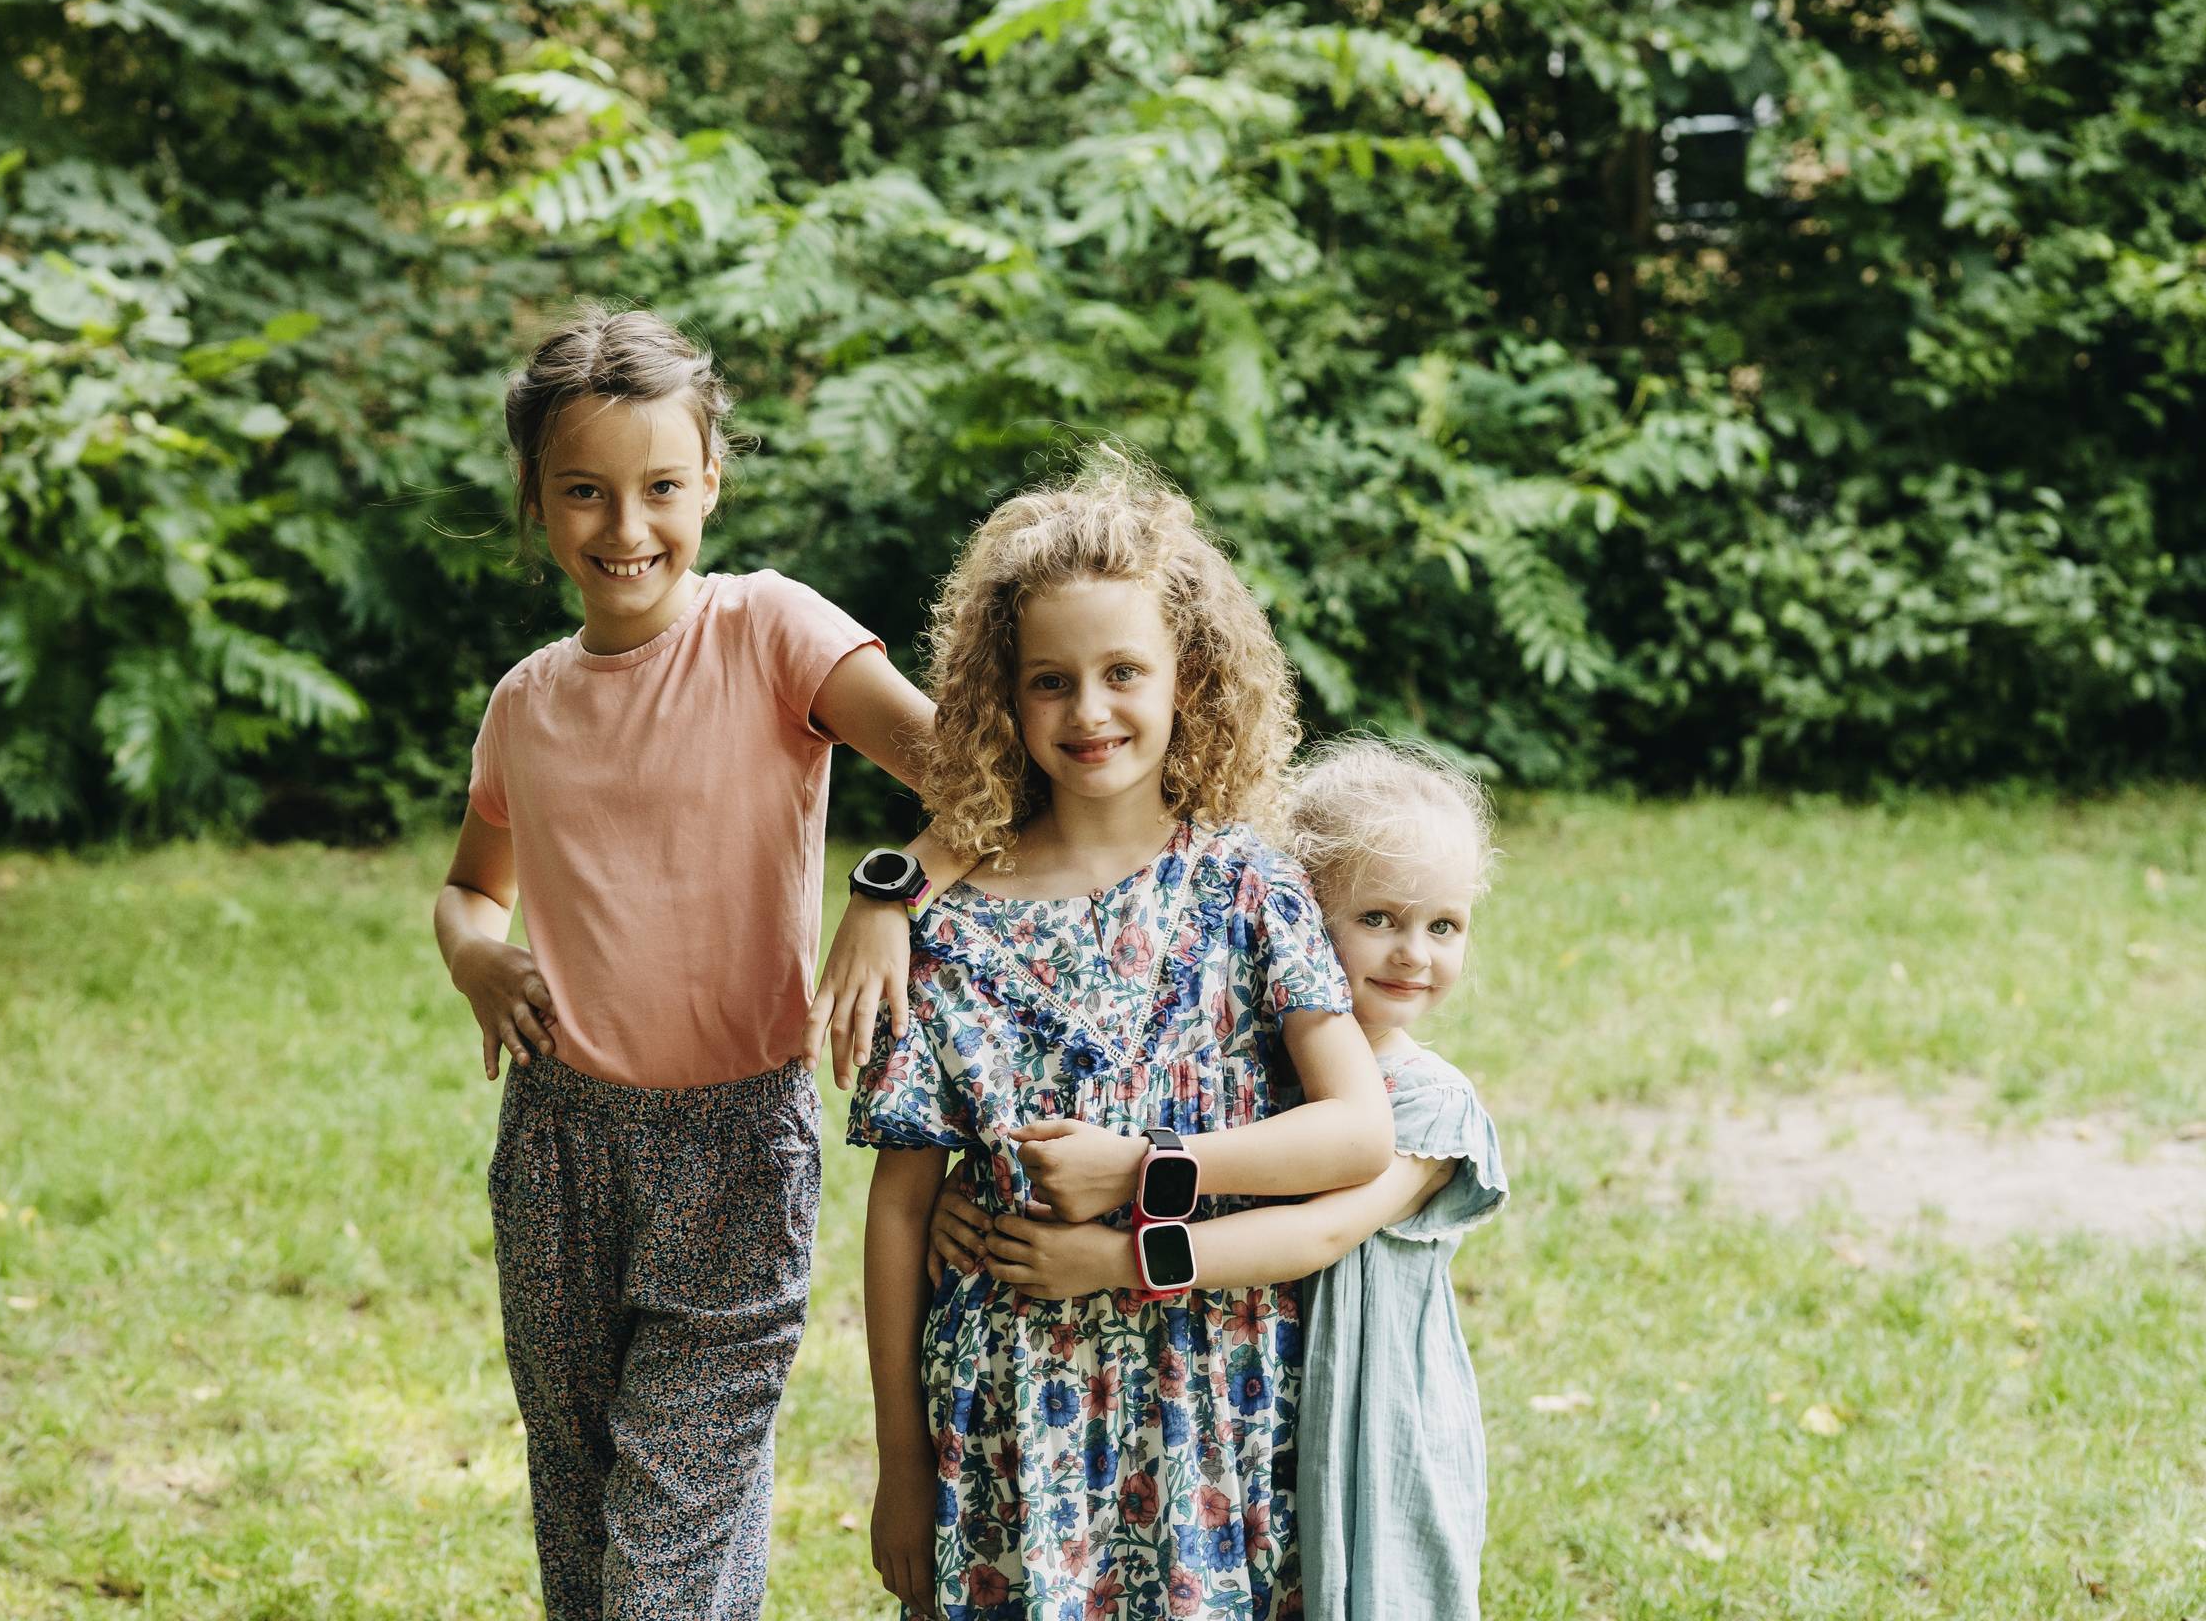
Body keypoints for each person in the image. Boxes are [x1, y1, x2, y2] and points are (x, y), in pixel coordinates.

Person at [431, 306, 948, 1620]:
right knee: (589, 1505)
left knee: (664, 1552)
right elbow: (466, 892)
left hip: (734, 1143)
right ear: (536, 502)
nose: (626, 527)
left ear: (712, 478)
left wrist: (886, 895)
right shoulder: (525, 702)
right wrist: (478, 963)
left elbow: (973, 781)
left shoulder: (770, 631)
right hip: (557, 1148)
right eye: (584, 493)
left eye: (662, 486)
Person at [851, 454, 1396, 1621]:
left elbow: (1357, 1131)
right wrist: (901, 1460)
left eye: (1122, 672)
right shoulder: (944, 924)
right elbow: (902, 1205)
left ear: (1188, 676)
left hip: (1211, 1396)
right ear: (1005, 693)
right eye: (1051, 680)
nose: (1089, 711)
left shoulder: (1250, 885)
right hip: (1003, 1423)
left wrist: (1151, 1168)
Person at [938, 737, 1510, 1621]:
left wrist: (1111, 1259)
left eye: (1444, 925)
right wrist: (976, 1191)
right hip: (1251, 1411)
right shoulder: (1252, 1076)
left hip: (1370, 1415)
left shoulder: (1430, 1107)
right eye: (1379, 919)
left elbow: (1314, 1235)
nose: (1414, 955)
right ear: (1301, 918)